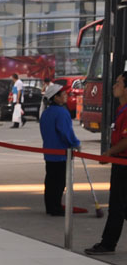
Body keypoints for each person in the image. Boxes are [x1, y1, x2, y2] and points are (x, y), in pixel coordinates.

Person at [86, 70, 127, 254]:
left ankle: (108, 243)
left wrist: (109, 152)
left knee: (118, 205)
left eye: (118, 83)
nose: (114, 86)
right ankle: (108, 242)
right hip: (119, 162)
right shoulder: (121, 109)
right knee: (121, 205)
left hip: (124, 164)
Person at [38, 81, 81, 216]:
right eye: (63, 94)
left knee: (50, 180)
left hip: (49, 152)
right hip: (61, 153)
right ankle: (56, 207)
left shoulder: (45, 113)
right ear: (55, 97)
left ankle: (50, 206)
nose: (66, 96)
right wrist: (75, 143)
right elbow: (65, 132)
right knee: (59, 182)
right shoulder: (62, 113)